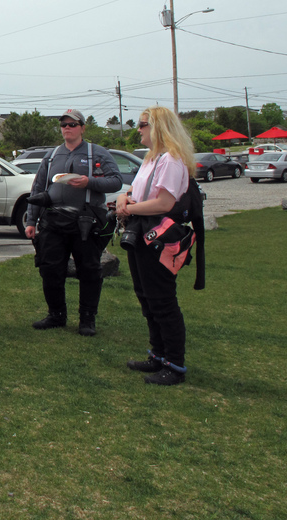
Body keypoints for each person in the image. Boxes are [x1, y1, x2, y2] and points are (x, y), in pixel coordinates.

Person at [115, 106, 196, 385]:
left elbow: (164, 203)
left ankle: (174, 365)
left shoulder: (171, 160)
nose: (138, 129)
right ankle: (158, 355)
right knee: (146, 297)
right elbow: (135, 191)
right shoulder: (152, 159)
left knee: (162, 300)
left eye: (143, 124)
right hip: (142, 234)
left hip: (158, 237)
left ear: (158, 127)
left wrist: (128, 209)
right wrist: (123, 199)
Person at [25, 109, 122, 336]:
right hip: (53, 221)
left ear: (82, 128)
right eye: (64, 125)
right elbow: (38, 189)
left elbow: (116, 181)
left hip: (85, 222)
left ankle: (87, 319)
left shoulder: (96, 153)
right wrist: (31, 220)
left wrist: (89, 182)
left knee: (89, 271)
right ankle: (56, 315)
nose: (67, 128)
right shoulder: (52, 156)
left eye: (72, 124)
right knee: (50, 269)